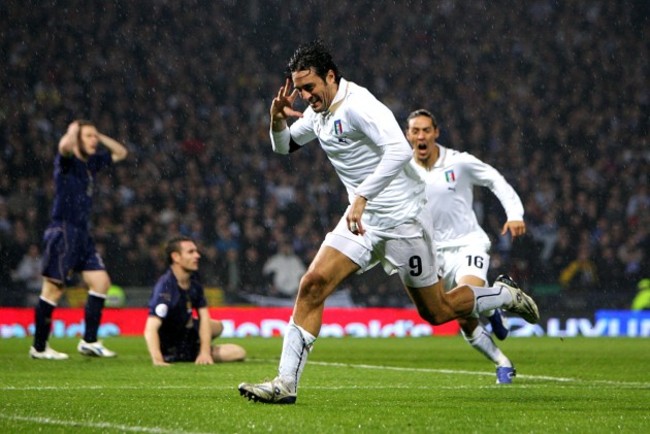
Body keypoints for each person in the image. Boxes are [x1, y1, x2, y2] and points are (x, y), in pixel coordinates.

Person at [238, 40, 539, 404]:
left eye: (309, 87)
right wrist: (276, 120)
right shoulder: (318, 114)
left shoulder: (359, 105)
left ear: (330, 76)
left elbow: (398, 148)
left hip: (404, 221)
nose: (304, 96)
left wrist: (362, 196)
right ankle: (285, 384)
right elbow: (283, 146)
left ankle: (504, 295)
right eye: (299, 89)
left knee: (437, 311)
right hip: (362, 223)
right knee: (313, 284)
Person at [406, 109, 526, 384]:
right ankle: (502, 361)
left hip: (467, 245)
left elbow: (494, 179)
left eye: (426, 130)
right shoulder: (402, 169)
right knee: (462, 317)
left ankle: (493, 301)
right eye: (415, 131)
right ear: (408, 135)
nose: (421, 136)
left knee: (466, 295)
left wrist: (515, 213)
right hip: (431, 255)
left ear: (436, 132)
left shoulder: (459, 163)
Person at [30, 120, 128, 360]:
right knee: (53, 290)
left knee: (101, 282)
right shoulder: (67, 163)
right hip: (63, 230)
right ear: (77, 139)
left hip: (82, 233)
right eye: (89, 136)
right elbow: (64, 146)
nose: (94, 140)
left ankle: (89, 341)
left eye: (95, 136)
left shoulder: (90, 164)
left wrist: (99, 134)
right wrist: (73, 131)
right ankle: (39, 347)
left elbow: (121, 152)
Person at [144, 236, 246, 366]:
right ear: (176, 257)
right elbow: (150, 328)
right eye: (191, 252)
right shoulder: (165, 287)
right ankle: (186, 352)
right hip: (172, 345)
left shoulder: (194, 283)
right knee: (234, 351)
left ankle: (200, 349)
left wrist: (205, 352)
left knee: (223, 332)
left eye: (196, 251)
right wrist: (157, 359)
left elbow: (204, 317)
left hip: (187, 334)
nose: (197, 255)